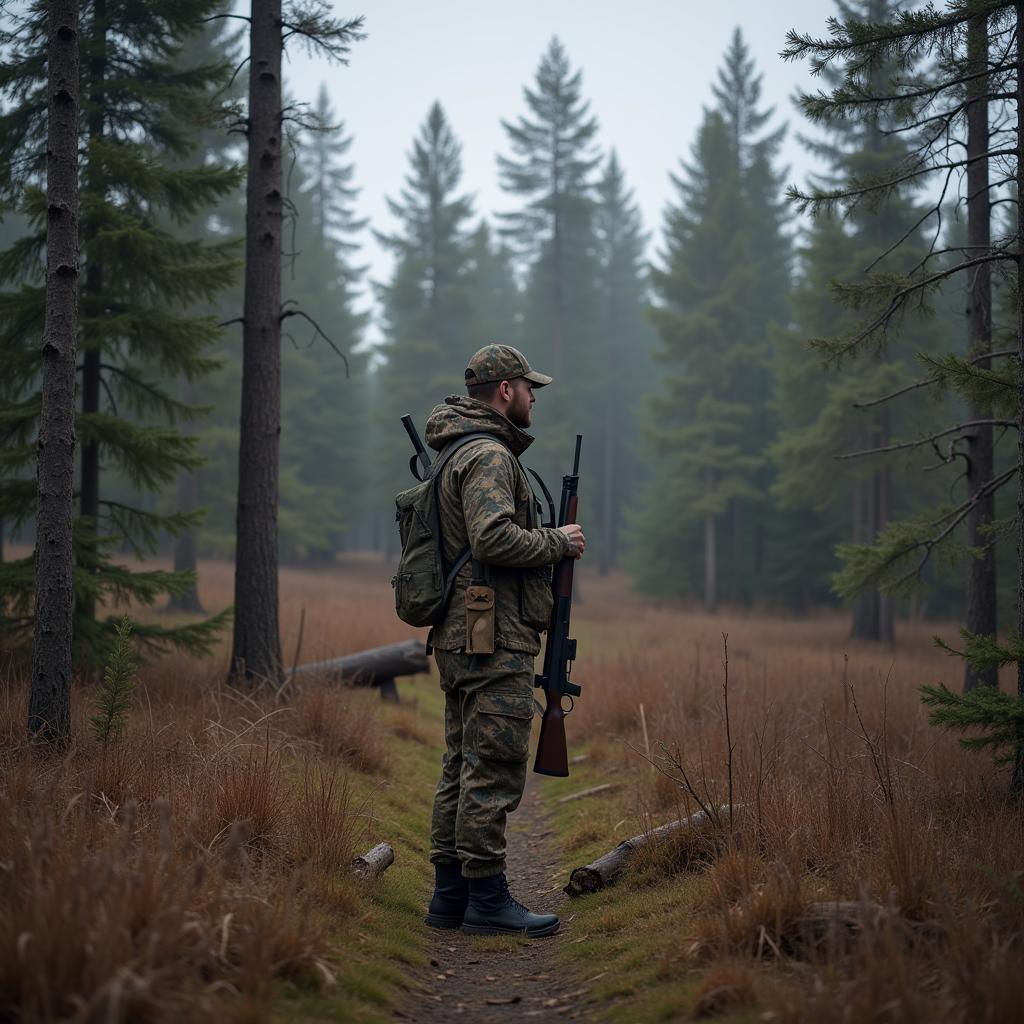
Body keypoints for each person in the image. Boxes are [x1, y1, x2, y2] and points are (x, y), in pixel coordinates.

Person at [421, 343, 585, 937]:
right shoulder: (489, 454)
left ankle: (450, 896)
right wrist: (557, 542)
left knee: (462, 760)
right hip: (492, 635)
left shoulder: (456, 451)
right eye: (527, 386)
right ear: (504, 391)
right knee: (491, 765)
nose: (534, 396)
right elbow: (493, 540)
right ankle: (487, 900)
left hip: (464, 630)